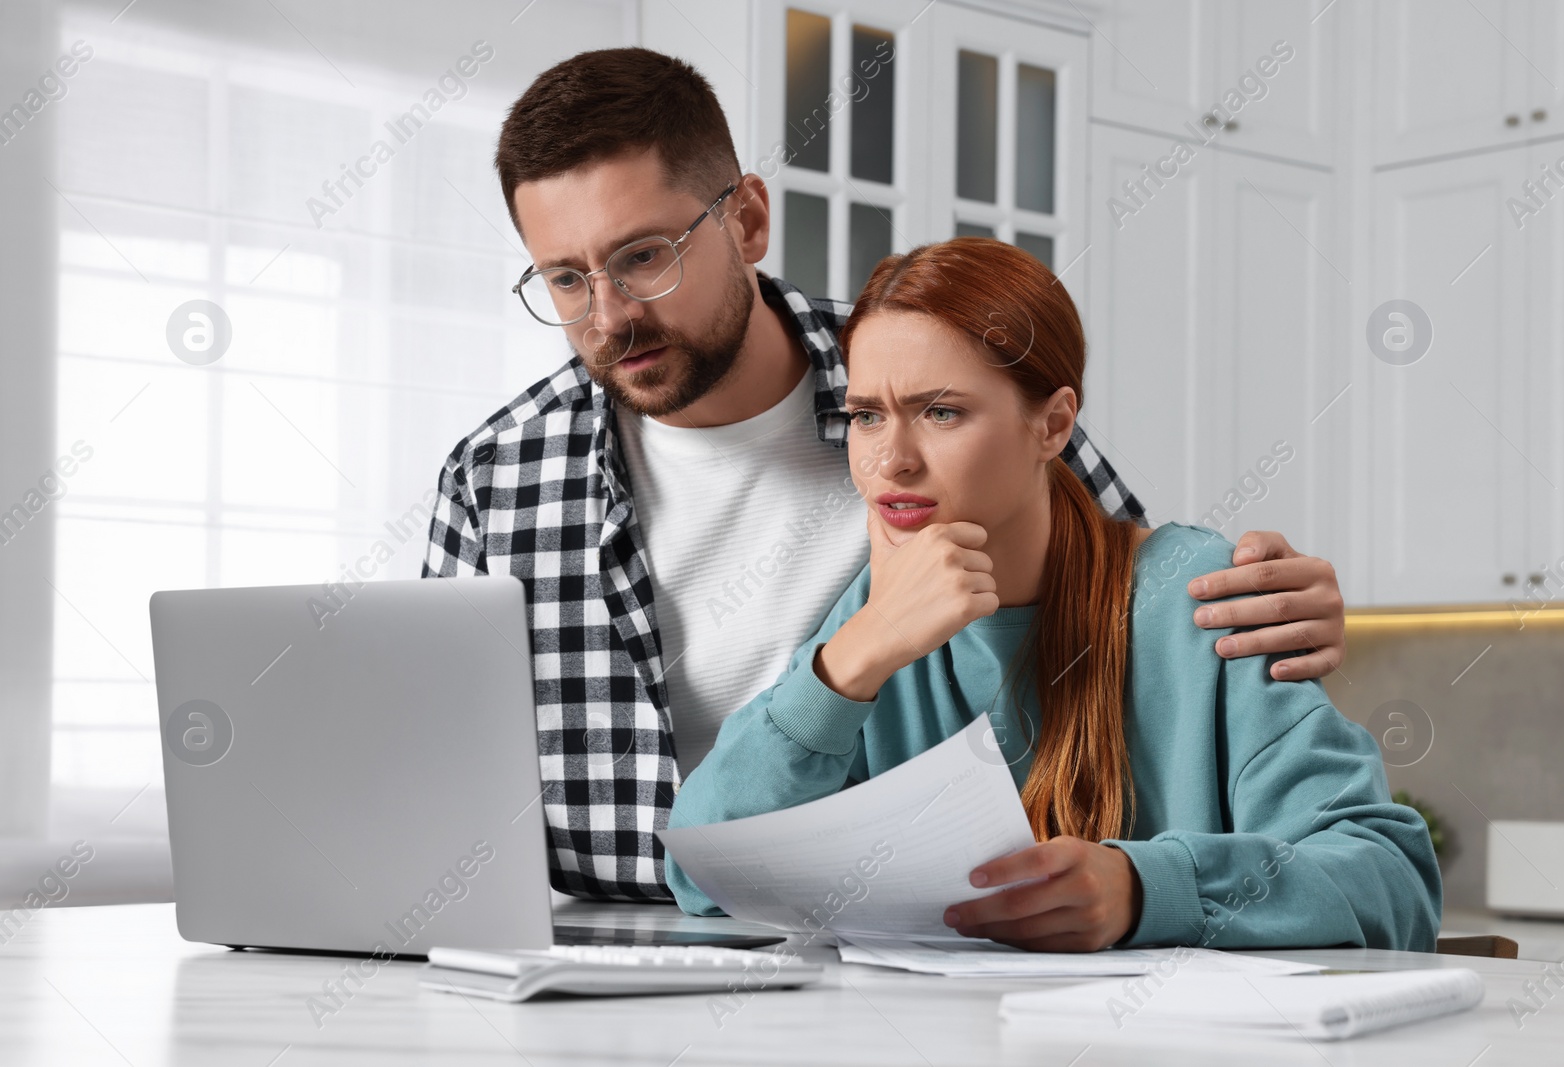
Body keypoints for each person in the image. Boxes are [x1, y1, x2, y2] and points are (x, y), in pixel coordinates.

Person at [423, 48, 1350, 904]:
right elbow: (436, 779)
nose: (610, 315)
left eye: (642, 257)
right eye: (566, 279)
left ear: (746, 219)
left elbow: (1119, 601)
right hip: (616, 937)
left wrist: (1263, 599)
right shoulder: (497, 475)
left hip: (887, 935)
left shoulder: (916, 361)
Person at [665, 238, 1441, 952]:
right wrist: (852, 658)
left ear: (1053, 424)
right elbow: (702, 872)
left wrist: (1147, 891)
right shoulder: (882, 616)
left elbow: (1391, 878)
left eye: (941, 411)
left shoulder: (1194, 595)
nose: (890, 460)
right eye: (867, 415)